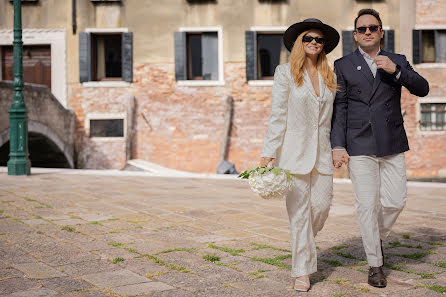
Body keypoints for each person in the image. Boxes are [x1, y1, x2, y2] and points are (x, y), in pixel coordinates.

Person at [331, 9, 429, 288]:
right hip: (359, 143)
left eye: (373, 27)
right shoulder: (343, 64)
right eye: (362, 29)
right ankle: (375, 264)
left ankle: (377, 238)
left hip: (391, 142)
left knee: (397, 201)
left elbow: (423, 89)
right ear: (355, 35)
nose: (368, 32)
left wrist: (396, 71)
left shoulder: (397, 60)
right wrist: (337, 145)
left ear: (381, 32)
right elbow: (341, 108)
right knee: (366, 206)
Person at [260, 18, 340, 292]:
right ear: (300, 43)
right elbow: (278, 114)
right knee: (299, 215)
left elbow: (334, 118)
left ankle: (303, 245)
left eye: (319, 40)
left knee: (321, 207)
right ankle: (301, 271)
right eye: (308, 39)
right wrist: (269, 151)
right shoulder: (285, 73)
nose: (314, 43)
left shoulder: (331, 76)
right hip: (293, 153)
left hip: (323, 153)